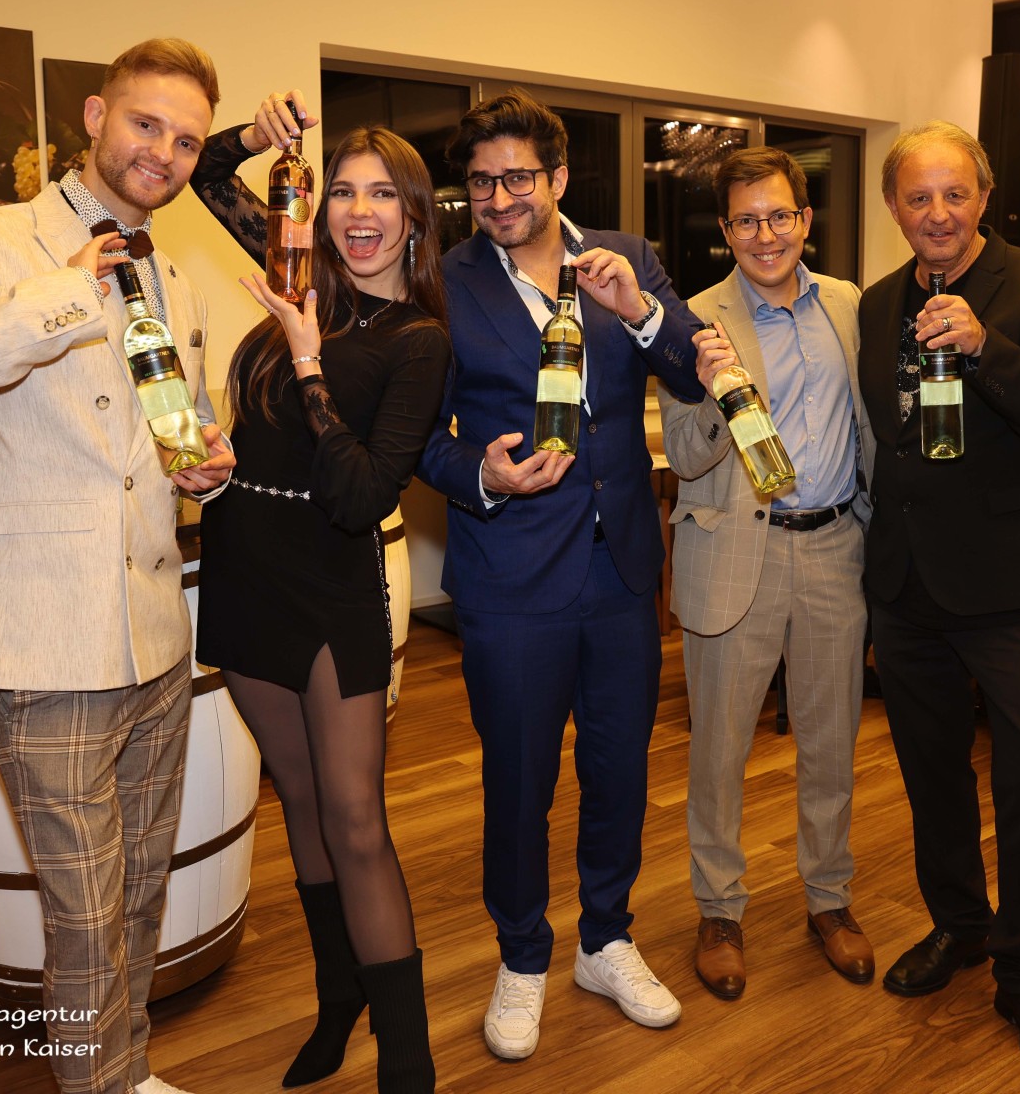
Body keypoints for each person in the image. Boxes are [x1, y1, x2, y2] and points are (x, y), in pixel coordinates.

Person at [0, 38, 235, 1094]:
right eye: (147, 123)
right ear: (95, 116)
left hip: (155, 631)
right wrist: (62, 296)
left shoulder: (177, 274)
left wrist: (204, 468)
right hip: (42, 637)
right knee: (83, 905)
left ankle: (128, 1069)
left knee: (140, 885)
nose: (164, 152)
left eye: (187, 140)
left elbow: (172, 431)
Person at [415, 89, 704, 1061]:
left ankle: (605, 939)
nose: (499, 198)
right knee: (519, 781)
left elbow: (692, 369)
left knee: (619, 770)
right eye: (481, 182)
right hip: (510, 577)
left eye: (518, 178)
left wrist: (641, 310)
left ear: (560, 177)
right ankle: (523, 954)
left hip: (622, 568)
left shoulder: (624, 257)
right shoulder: (445, 281)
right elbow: (420, 438)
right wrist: (482, 475)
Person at [188, 95, 449, 1093]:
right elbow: (205, 173)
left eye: (383, 194)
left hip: (332, 581)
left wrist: (306, 359)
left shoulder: (417, 340)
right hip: (244, 562)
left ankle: (409, 1063)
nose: (359, 211)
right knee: (295, 796)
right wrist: (255, 140)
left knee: (355, 819)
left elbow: (360, 495)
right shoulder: (296, 276)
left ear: (415, 218)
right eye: (341, 191)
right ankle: (339, 1000)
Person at [857, 121, 1020, 1082]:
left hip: (1011, 589)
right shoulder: (879, 302)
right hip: (907, 585)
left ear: (985, 197)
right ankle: (959, 925)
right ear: (894, 208)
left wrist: (987, 346)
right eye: (919, 197)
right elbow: (890, 433)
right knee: (932, 776)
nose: (939, 214)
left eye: (956, 194)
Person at [657, 146, 875, 1000]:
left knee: (832, 742)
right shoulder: (692, 321)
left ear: (806, 220)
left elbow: (871, 426)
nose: (766, 234)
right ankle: (719, 910)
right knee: (719, 749)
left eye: (780, 215)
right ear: (726, 231)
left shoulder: (850, 305)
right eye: (746, 221)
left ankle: (829, 898)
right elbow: (683, 454)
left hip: (834, 549)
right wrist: (715, 391)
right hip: (735, 552)